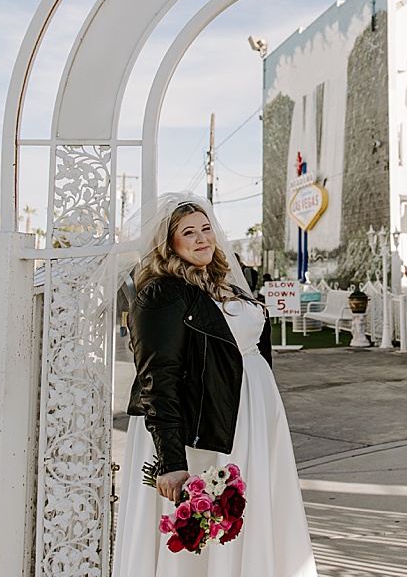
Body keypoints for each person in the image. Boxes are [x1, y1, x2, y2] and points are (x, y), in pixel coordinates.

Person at [112, 193, 318, 577]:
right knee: (204, 538)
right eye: (188, 232)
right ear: (168, 243)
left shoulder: (223, 284)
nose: (202, 238)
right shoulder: (163, 293)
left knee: (254, 517)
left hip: (249, 421)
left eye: (206, 228)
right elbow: (158, 379)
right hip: (203, 431)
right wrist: (172, 463)